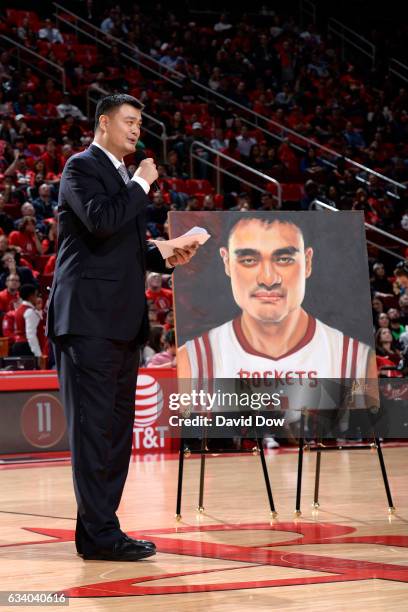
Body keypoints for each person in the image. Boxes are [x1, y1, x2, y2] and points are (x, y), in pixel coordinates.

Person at [47, 94, 199, 562]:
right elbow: (100, 221)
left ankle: (99, 533)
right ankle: (101, 534)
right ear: (104, 123)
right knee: (95, 432)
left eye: (140, 122)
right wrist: (139, 183)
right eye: (129, 121)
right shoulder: (82, 167)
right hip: (88, 321)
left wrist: (164, 253)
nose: (137, 129)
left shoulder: (117, 179)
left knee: (113, 434)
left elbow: (119, 245)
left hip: (119, 323)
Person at [178, 214, 377, 381]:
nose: (268, 278)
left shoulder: (355, 360)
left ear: (307, 263)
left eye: (283, 259)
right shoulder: (194, 360)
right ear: (227, 262)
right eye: (249, 260)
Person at [11, 284, 43, 363]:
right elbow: (31, 335)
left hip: (18, 345)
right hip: (26, 347)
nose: (37, 298)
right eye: (36, 295)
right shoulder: (29, 311)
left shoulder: (19, 309)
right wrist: (38, 354)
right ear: (31, 296)